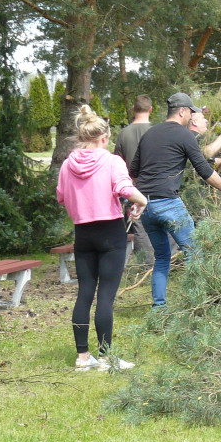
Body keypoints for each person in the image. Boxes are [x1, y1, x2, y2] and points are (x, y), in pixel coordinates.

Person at [57, 105, 148, 371]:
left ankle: (83, 357)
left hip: (83, 233)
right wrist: (142, 200)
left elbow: (61, 196)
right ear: (104, 138)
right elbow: (123, 188)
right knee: (105, 297)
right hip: (110, 232)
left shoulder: (67, 164)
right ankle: (107, 357)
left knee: (84, 293)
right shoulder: (112, 161)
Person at [130, 92, 221, 308]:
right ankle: (198, 304)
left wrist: (138, 198)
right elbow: (205, 171)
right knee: (195, 252)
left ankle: (159, 309)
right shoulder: (184, 135)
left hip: (147, 207)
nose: (192, 116)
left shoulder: (149, 134)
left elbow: (133, 171)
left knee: (162, 258)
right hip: (168, 204)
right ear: (182, 111)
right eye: (191, 112)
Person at [113, 94, 154, 264]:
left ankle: (146, 265)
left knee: (139, 228)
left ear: (133, 109)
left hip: (133, 187)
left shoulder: (123, 134)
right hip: (157, 184)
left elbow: (117, 162)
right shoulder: (157, 131)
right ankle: (165, 262)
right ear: (150, 109)